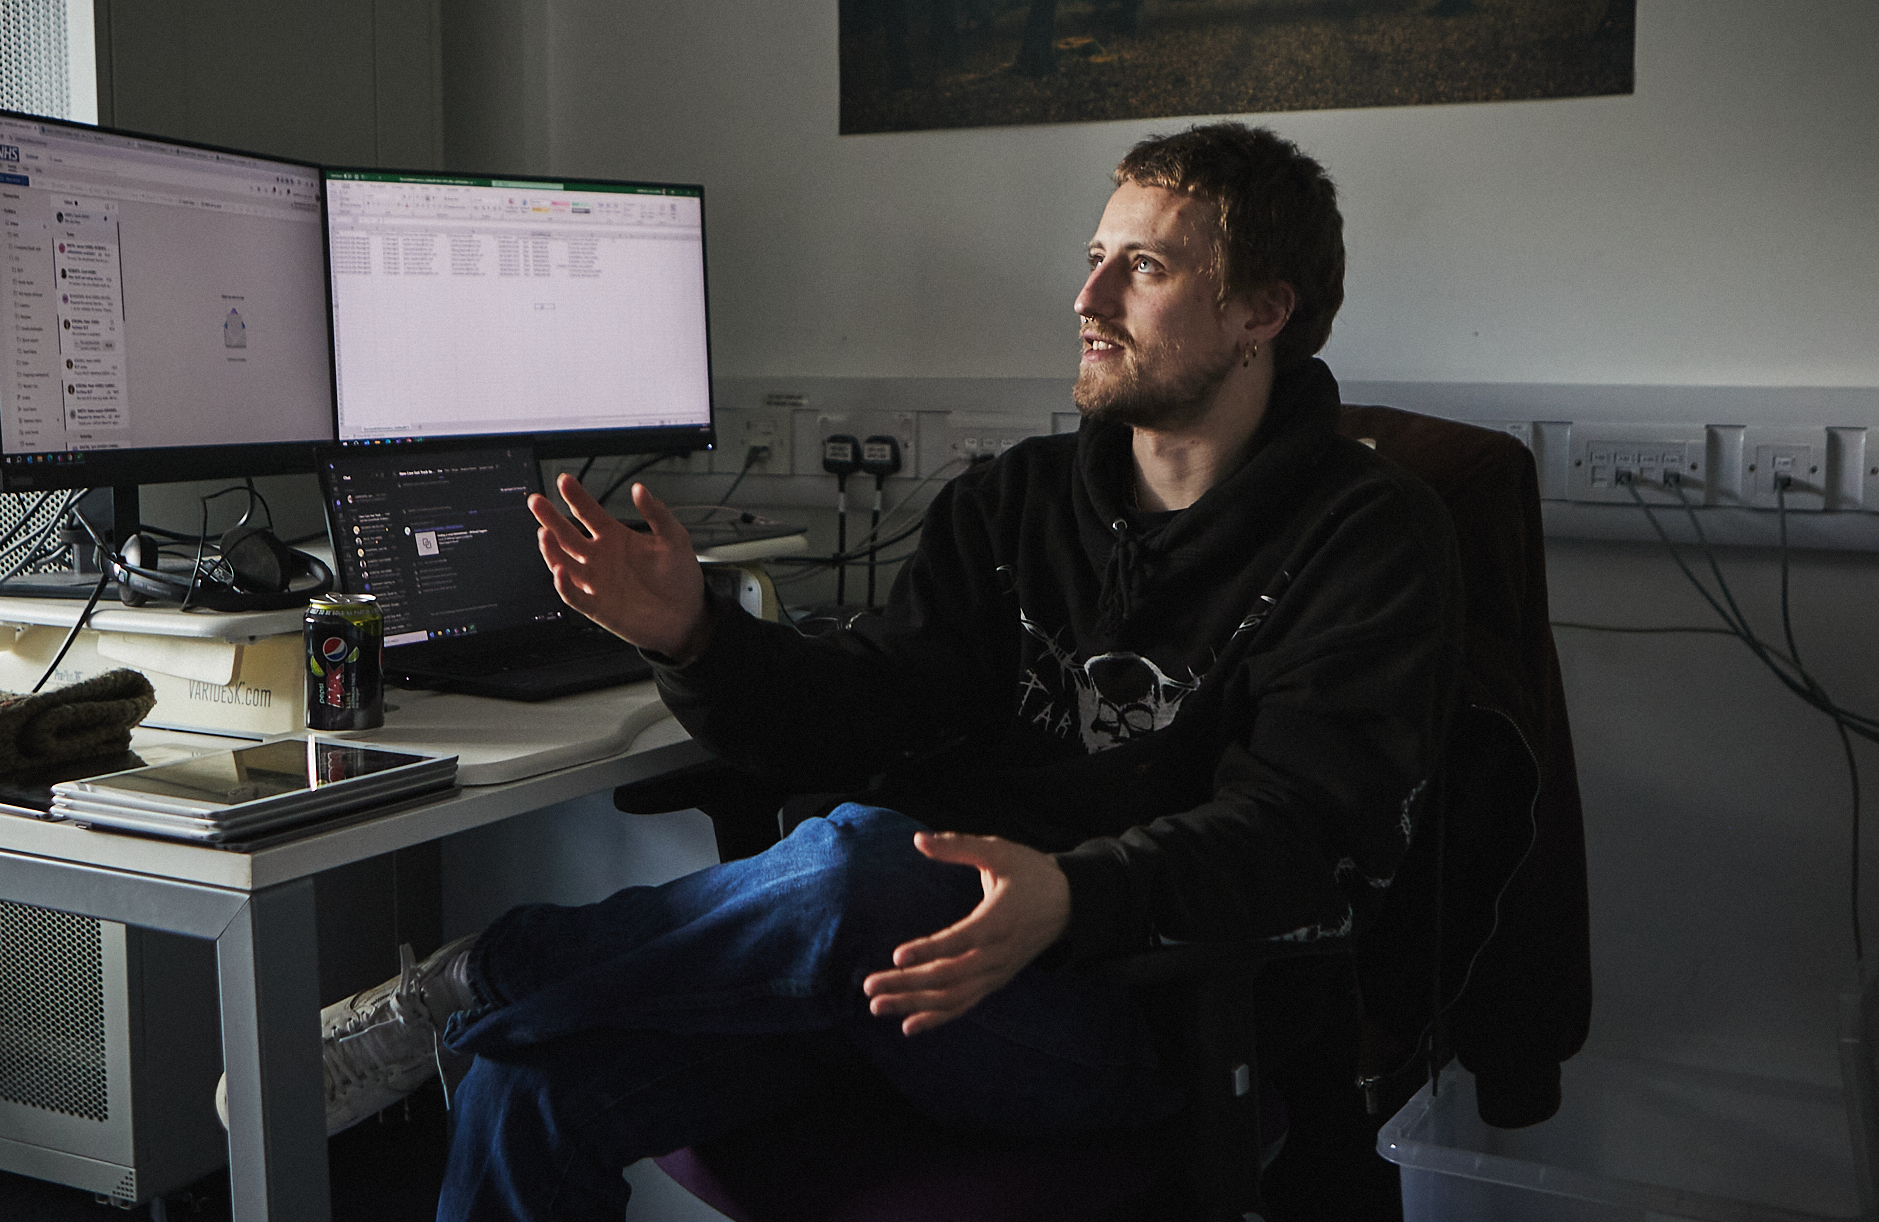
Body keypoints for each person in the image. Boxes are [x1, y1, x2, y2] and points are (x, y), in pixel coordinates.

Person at [295, 121, 1464, 1221]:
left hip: (1130, 1010)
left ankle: (468, 980)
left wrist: (1073, 894)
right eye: (1093, 256)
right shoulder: (1012, 505)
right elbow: (859, 714)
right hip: (896, 968)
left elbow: (1304, 832)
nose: (1086, 298)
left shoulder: (1363, 535)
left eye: (1141, 268)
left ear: (1262, 307)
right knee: (524, 1083)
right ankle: (479, 1006)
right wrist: (694, 635)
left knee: (858, 857)